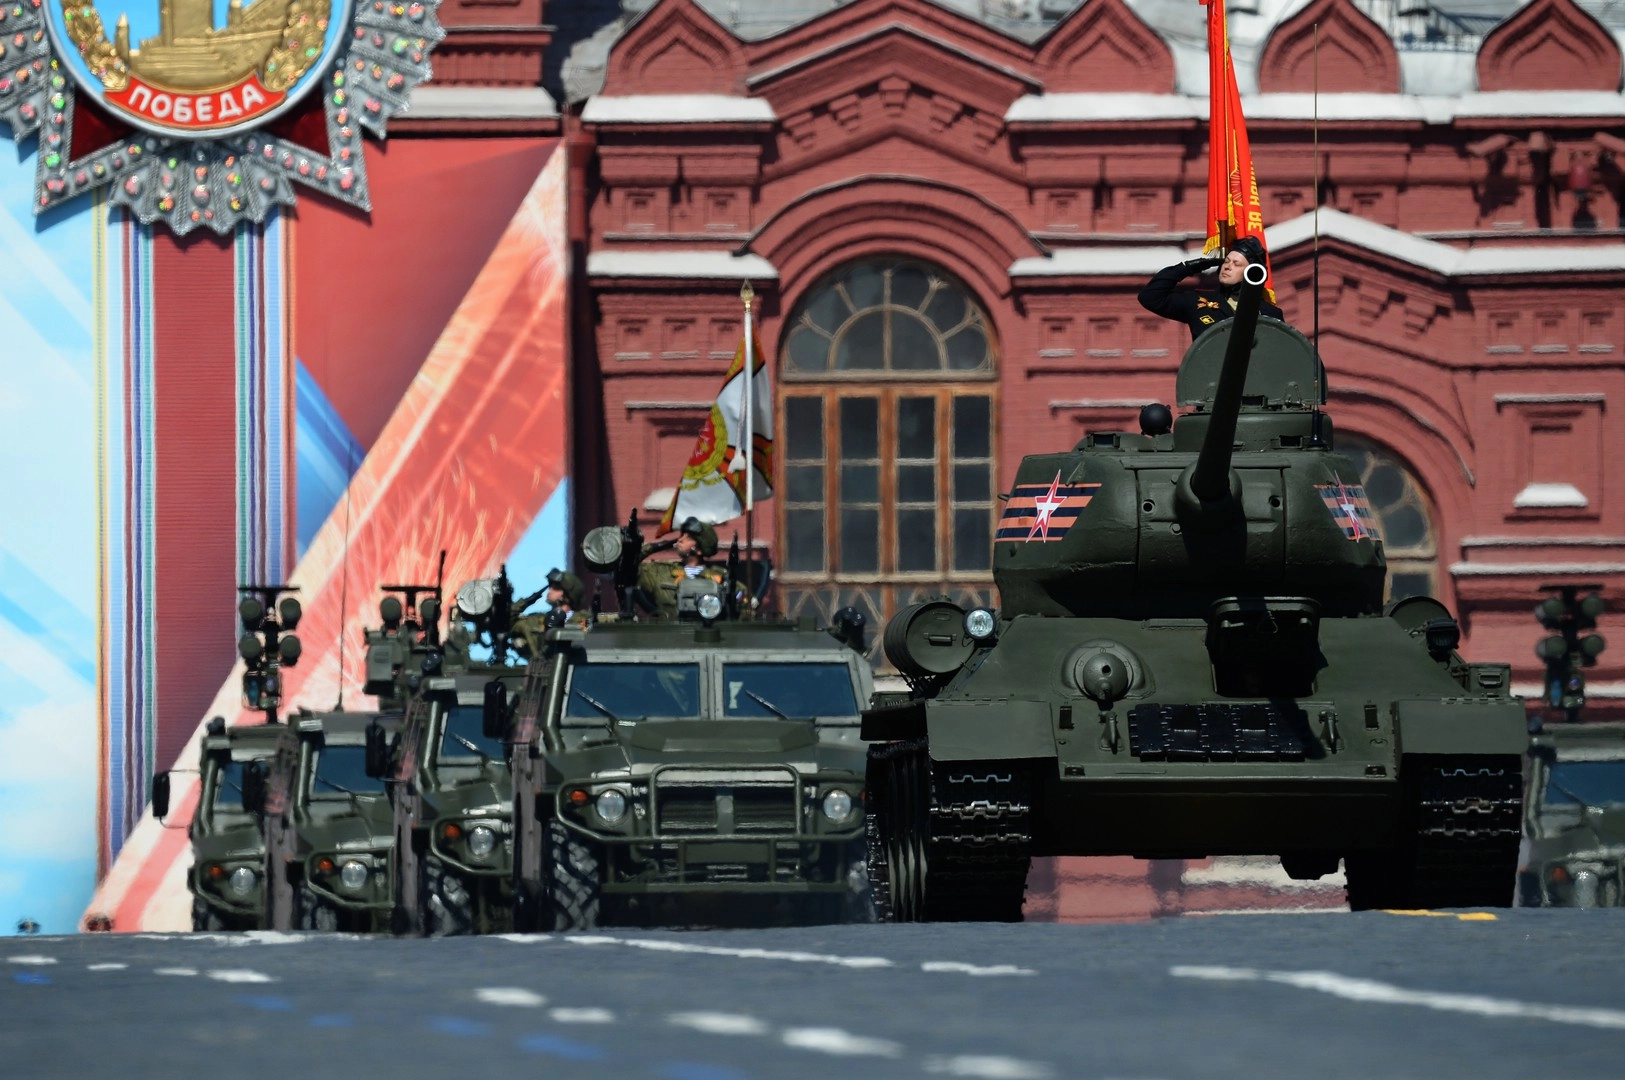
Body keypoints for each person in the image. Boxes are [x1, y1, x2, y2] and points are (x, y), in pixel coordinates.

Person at [1138, 235, 1282, 340]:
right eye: (1226, 261)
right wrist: (1188, 267)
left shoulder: (1269, 313)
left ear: (1252, 272)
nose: (1227, 266)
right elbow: (1150, 297)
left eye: (1236, 264)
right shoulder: (1199, 302)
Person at [636, 516, 727, 619]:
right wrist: (655, 547)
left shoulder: (719, 577)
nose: (680, 540)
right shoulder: (660, 572)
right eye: (682, 535)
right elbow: (628, 566)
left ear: (699, 550)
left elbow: (739, 602)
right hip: (669, 628)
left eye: (689, 538)